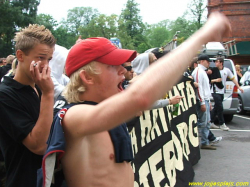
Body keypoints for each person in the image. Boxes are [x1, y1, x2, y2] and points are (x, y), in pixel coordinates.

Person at [41, 12, 231, 187]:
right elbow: (140, 97)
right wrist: (202, 36)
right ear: (87, 77)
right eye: (112, 66)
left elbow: (140, 96)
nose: (123, 70)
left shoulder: (105, 107)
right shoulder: (75, 116)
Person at [0, 24, 56, 186]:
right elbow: (38, 146)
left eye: (49, 59)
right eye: (40, 57)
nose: (45, 65)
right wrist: (48, 94)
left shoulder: (39, 87)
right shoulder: (5, 94)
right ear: (20, 55)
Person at [210, 57, 243, 131]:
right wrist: (216, 80)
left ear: (221, 63)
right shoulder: (213, 70)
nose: (216, 63)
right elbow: (209, 80)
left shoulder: (226, 70)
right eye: (215, 62)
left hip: (222, 91)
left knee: (216, 107)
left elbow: (233, 78)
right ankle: (222, 124)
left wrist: (239, 87)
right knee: (220, 107)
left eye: (217, 62)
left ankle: (210, 122)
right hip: (214, 91)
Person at [192, 54, 216, 150]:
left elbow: (204, 88)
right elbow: (199, 88)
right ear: (202, 61)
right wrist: (202, 102)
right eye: (207, 61)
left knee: (206, 122)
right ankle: (201, 141)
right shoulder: (198, 71)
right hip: (202, 100)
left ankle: (205, 141)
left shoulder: (202, 71)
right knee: (202, 122)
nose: (209, 63)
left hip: (205, 99)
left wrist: (208, 101)